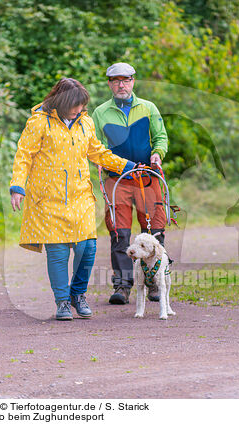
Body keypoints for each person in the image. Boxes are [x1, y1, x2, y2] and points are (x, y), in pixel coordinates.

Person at [10, 78, 136, 320]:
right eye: (76, 105)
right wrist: (18, 186)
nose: (80, 110)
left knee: (87, 248)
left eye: (82, 105)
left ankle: (78, 294)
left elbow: (97, 152)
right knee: (57, 252)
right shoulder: (39, 122)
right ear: (62, 102)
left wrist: (126, 166)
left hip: (80, 196)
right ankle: (62, 302)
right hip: (48, 199)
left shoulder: (85, 123)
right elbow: (24, 155)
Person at [91, 62, 169, 305]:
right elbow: (94, 145)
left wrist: (158, 153)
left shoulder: (148, 107)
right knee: (119, 232)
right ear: (110, 84)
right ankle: (123, 286)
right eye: (116, 81)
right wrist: (99, 162)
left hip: (147, 176)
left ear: (133, 81)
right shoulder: (100, 113)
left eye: (125, 80)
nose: (121, 85)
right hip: (118, 178)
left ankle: (155, 283)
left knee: (153, 230)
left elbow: (161, 137)